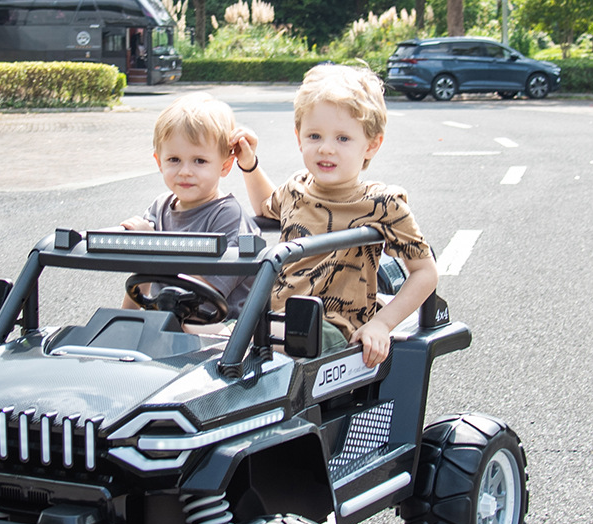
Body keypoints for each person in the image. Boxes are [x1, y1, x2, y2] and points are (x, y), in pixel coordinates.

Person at [230, 63, 438, 367]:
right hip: (274, 318)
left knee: (237, 337)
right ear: (299, 137)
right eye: (314, 136)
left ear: (371, 144)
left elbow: (425, 271)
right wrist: (249, 164)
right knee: (203, 331)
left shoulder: (382, 202)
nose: (326, 149)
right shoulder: (296, 188)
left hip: (331, 329)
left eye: (343, 138)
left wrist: (381, 324)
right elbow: (265, 206)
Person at [121, 92, 259, 320]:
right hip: (170, 321)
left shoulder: (227, 216)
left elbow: (207, 292)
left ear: (225, 166)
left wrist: (153, 247)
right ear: (159, 162)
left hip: (224, 329)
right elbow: (141, 276)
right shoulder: (160, 207)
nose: (185, 171)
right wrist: (123, 322)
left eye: (200, 161)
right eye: (174, 160)